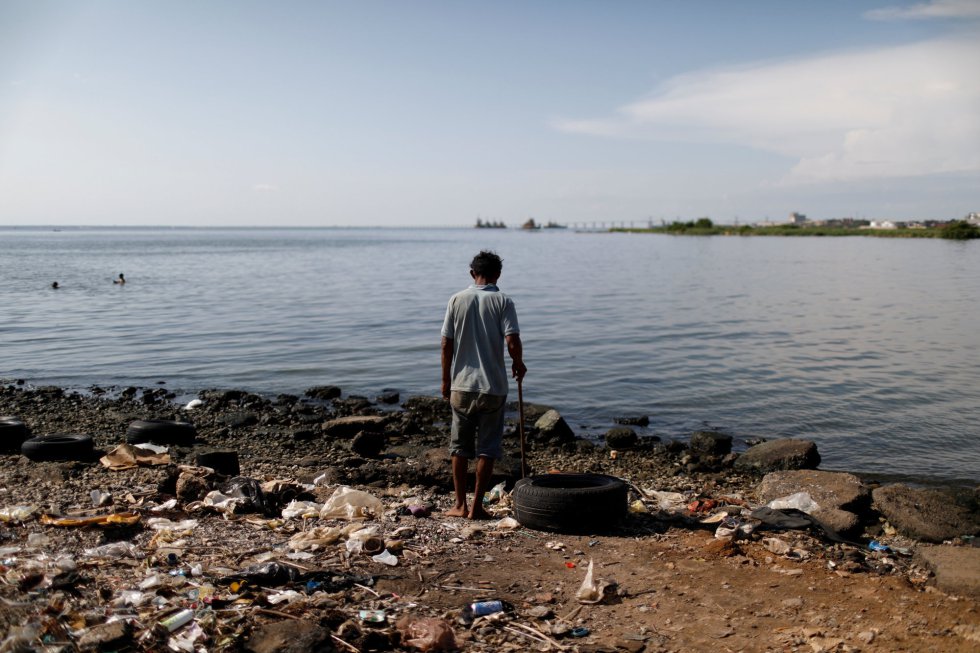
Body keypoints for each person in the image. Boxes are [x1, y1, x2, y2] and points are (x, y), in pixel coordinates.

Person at [441, 250, 526, 519]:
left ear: (472, 273)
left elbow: (446, 344)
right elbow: (512, 340)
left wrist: (445, 380)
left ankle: (459, 505)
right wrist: (518, 363)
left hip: (462, 386)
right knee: (487, 449)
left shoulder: (456, 299)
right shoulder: (503, 301)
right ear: (498, 275)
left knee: (459, 447)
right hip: (493, 388)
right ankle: (477, 507)